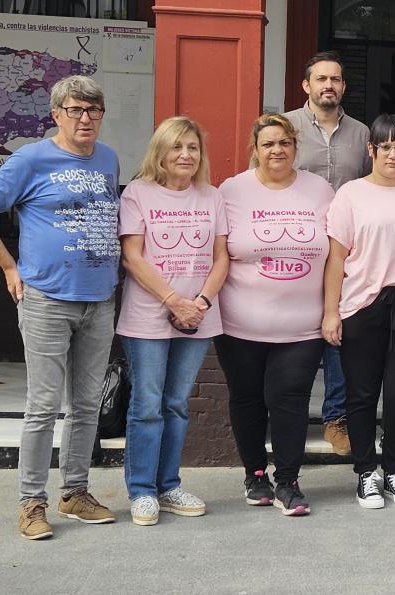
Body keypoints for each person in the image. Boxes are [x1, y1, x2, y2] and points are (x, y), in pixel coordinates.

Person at [0, 75, 120, 539]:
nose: (86, 118)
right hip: (47, 299)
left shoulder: (107, 159)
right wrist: (10, 267)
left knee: (87, 404)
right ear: (56, 115)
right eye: (75, 111)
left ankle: (75, 492)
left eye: (94, 110)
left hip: (98, 298)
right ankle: (31, 501)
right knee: (44, 405)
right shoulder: (30, 158)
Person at [216, 113, 334, 517]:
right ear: (255, 149)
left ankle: (288, 481)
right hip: (239, 324)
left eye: (284, 142)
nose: (277, 150)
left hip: (302, 325)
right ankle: (255, 475)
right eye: (268, 144)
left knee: (290, 401)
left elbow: (338, 253)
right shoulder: (232, 190)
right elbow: (215, 252)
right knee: (247, 400)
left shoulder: (319, 190)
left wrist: (333, 310)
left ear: (295, 147)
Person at [117, 117, 228, 525]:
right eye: (177, 147)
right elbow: (133, 257)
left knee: (177, 405)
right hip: (148, 317)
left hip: (196, 316)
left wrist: (199, 301)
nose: (185, 155)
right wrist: (172, 300)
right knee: (147, 405)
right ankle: (142, 490)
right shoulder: (138, 193)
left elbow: (222, 259)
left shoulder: (212, 196)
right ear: (160, 153)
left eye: (193, 148)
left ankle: (168, 485)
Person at [322, 114, 395, 509]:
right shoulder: (350, 194)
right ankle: (366, 471)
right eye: (384, 146)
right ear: (371, 150)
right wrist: (330, 312)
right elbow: (336, 260)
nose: (392, 154)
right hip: (362, 305)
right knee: (362, 394)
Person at [284, 50, 371, 459]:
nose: (328, 86)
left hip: (347, 252)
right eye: (321, 79)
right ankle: (290, 415)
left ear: (343, 87)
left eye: (335, 79)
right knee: (300, 332)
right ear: (306, 85)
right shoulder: (287, 127)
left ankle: (336, 418)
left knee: (340, 334)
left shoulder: (361, 133)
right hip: (295, 247)